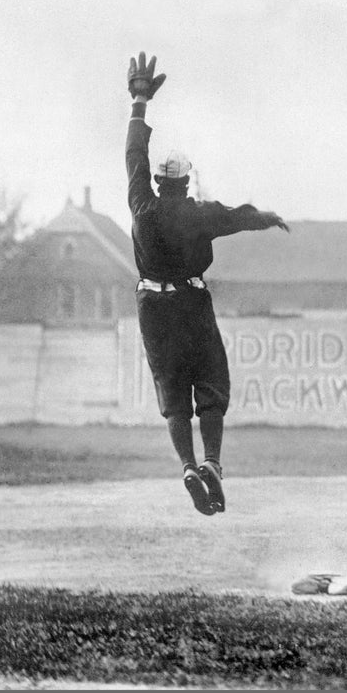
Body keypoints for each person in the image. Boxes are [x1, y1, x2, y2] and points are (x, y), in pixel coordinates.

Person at [125, 52, 289, 515]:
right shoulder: (200, 215)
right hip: (193, 303)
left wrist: (139, 102)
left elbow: (133, 155)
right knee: (211, 386)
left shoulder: (142, 204)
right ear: (187, 180)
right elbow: (238, 218)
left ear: (158, 180)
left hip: (153, 307)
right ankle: (213, 461)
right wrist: (267, 218)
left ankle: (187, 465)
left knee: (172, 393)